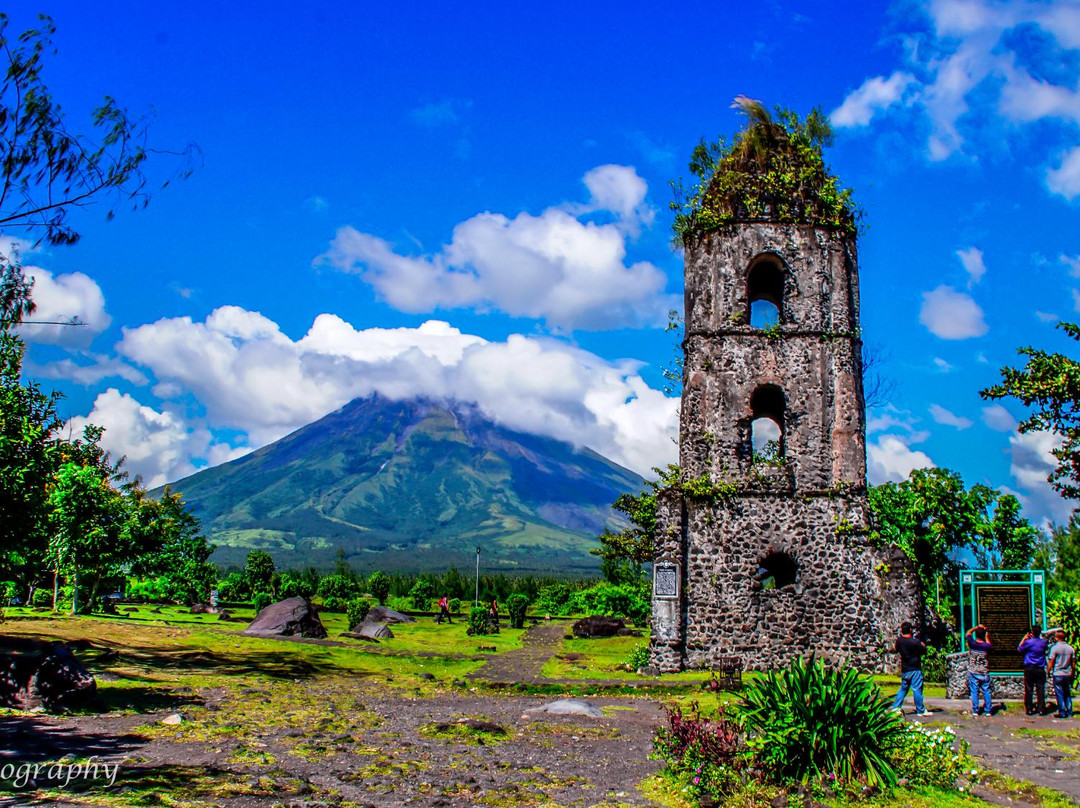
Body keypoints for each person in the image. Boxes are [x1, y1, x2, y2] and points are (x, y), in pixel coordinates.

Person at [892, 622, 929, 716]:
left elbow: (896, 650)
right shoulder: (914, 642)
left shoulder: (899, 641)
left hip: (905, 668)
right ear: (910, 630)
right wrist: (923, 645)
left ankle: (896, 707)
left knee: (903, 689)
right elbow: (924, 651)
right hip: (915, 668)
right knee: (917, 689)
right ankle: (920, 710)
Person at [1018, 623, 1050, 716]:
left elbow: (1019, 649)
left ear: (1032, 632)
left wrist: (1024, 638)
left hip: (1030, 668)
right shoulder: (1043, 642)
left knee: (1029, 689)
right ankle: (1041, 709)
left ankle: (1029, 709)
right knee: (1040, 689)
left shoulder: (1028, 642)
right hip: (1040, 668)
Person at [965, 623, 993, 717]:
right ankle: (988, 710)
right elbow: (989, 644)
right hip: (984, 671)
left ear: (976, 635)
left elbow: (968, 633)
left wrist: (977, 627)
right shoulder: (986, 646)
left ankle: (975, 710)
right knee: (986, 691)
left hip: (974, 671)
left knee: (974, 691)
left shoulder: (972, 643)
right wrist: (987, 636)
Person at [1047, 629, 1075, 720]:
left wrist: (1048, 671)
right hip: (1067, 673)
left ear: (1057, 638)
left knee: (1059, 693)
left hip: (1058, 673)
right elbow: (1073, 663)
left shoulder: (1055, 648)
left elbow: (1051, 661)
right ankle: (1069, 710)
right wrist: (1072, 672)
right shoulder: (1070, 648)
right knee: (1067, 693)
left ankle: (1062, 712)